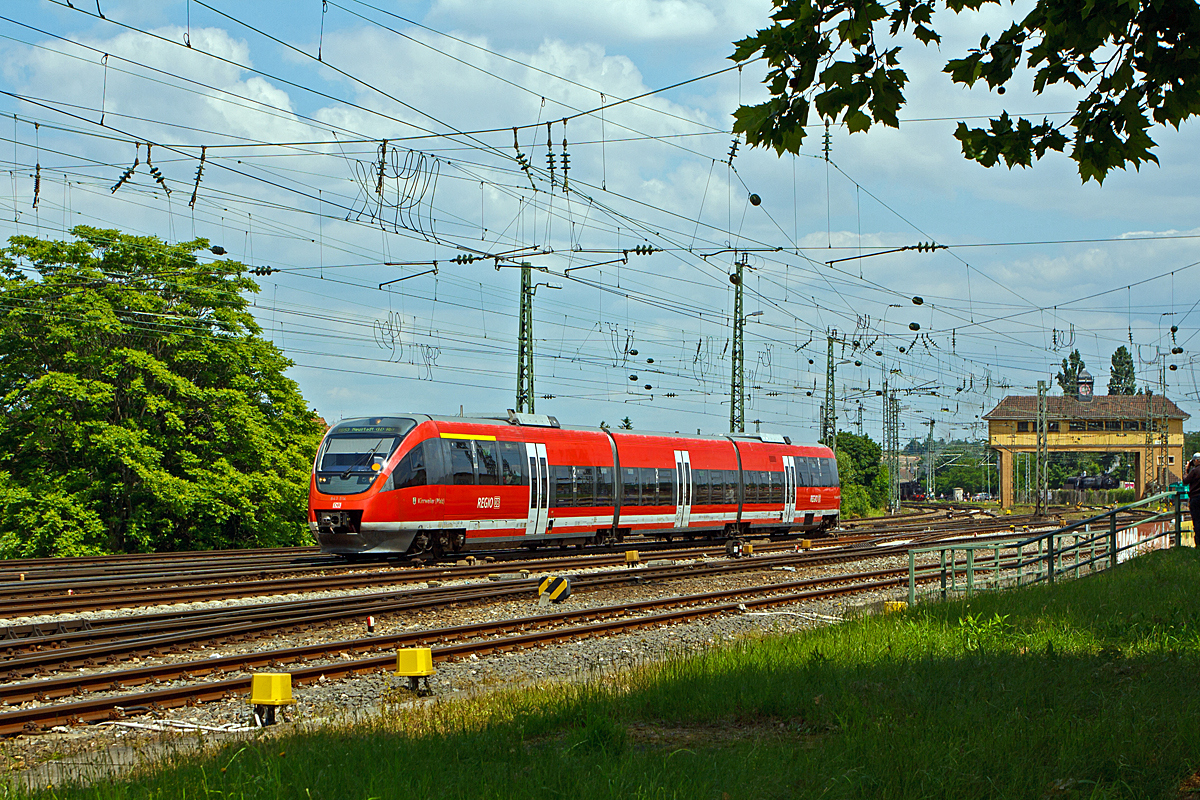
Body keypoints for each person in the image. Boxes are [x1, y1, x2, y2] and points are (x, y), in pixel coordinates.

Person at [1186, 453, 1200, 538]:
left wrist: (1187, 470)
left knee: (1197, 520)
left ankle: (1198, 542)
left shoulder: (1194, 471)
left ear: (1196, 460)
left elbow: (1185, 481)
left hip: (1196, 498)